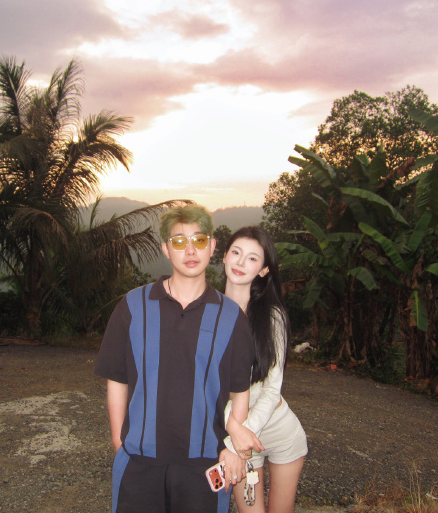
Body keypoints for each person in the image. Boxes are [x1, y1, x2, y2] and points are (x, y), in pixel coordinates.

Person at [94, 204, 260, 513]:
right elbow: (117, 379)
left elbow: (240, 392)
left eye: (199, 240)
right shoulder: (133, 306)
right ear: (166, 249)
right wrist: (120, 444)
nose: (190, 250)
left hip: (205, 464)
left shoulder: (230, 317)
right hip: (140, 462)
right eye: (179, 241)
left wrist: (231, 447)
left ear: (212, 246)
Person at [222, 226, 308, 513]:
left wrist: (238, 438)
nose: (240, 262)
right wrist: (234, 432)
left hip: (279, 430)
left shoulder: (272, 316)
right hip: (239, 435)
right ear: (224, 256)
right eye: (236, 252)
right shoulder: (209, 312)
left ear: (263, 270)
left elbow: (272, 389)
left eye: (252, 258)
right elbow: (204, 386)